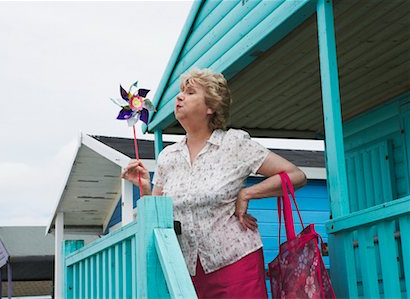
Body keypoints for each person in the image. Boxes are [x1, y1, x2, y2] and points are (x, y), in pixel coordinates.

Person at [122, 68, 307, 298]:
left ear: (211, 107)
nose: (180, 97)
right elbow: (157, 215)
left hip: (235, 262)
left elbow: (296, 175)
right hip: (185, 270)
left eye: (190, 93)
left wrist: (247, 194)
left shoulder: (234, 143)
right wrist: (145, 189)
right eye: (180, 92)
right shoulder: (167, 157)